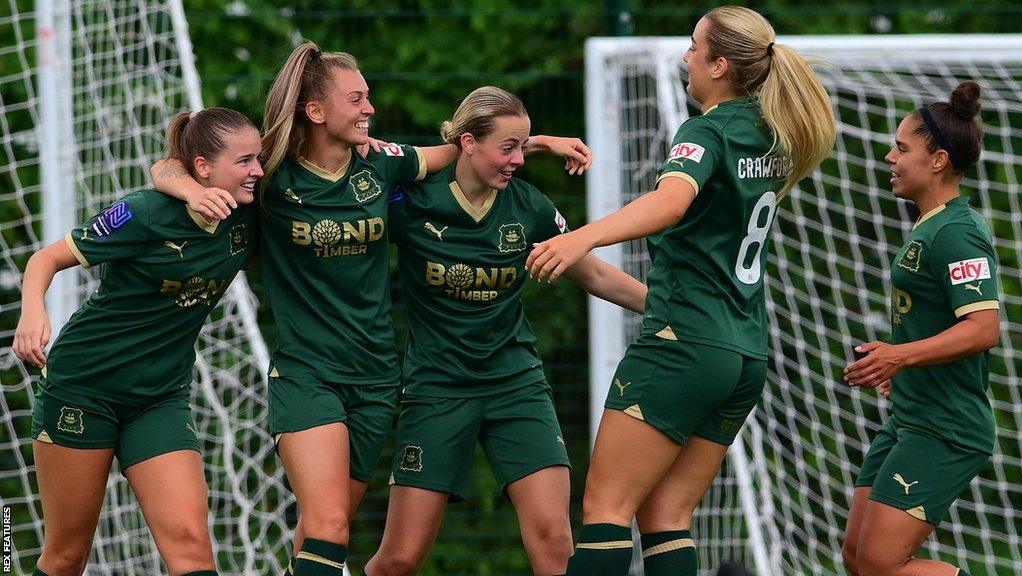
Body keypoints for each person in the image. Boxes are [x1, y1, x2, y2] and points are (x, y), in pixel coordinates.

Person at [150, 42, 592, 576]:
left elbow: (460, 148)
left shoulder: (383, 165)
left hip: (377, 378)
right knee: (330, 527)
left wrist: (537, 142)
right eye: (356, 99)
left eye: (369, 98)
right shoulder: (269, 171)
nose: (370, 109)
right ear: (315, 112)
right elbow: (179, 162)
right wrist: (187, 190)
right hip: (308, 373)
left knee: (324, 531)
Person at [526, 6, 835, 576]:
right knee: (666, 516)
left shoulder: (708, 129)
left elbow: (671, 203)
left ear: (720, 65)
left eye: (695, 47)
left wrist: (583, 239)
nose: (684, 57)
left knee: (605, 509)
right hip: (743, 352)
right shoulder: (771, 135)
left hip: (683, 345)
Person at [362, 86, 646, 576]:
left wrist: (671, 312)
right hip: (438, 387)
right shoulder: (410, 198)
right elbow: (353, 168)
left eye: (523, 146)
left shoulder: (529, 207)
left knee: (556, 541)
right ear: (467, 143)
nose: (517, 159)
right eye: (508, 147)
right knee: (400, 559)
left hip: (516, 383)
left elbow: (594, 273)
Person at [13, 107, 262, 576]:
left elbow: (171, 165)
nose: (258, 171)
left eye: (260, 159)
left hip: (159, 400)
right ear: (204, 167)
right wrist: (32, 313)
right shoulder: (144, 211)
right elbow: (44, 260)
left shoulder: (246, 217)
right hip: (83, 390)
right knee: (66, 557)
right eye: (245, 160)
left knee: (192, 549)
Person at [841, 81, 999, 576]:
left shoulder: (956, 231)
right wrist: (901, 362)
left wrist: (901, 356)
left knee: (881, 563)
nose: (889, 157)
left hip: (947, 427)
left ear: (937, 161)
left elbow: (982, 329)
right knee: (858, 560)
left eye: (902, 148)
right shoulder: (929, 225)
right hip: (911, 418)